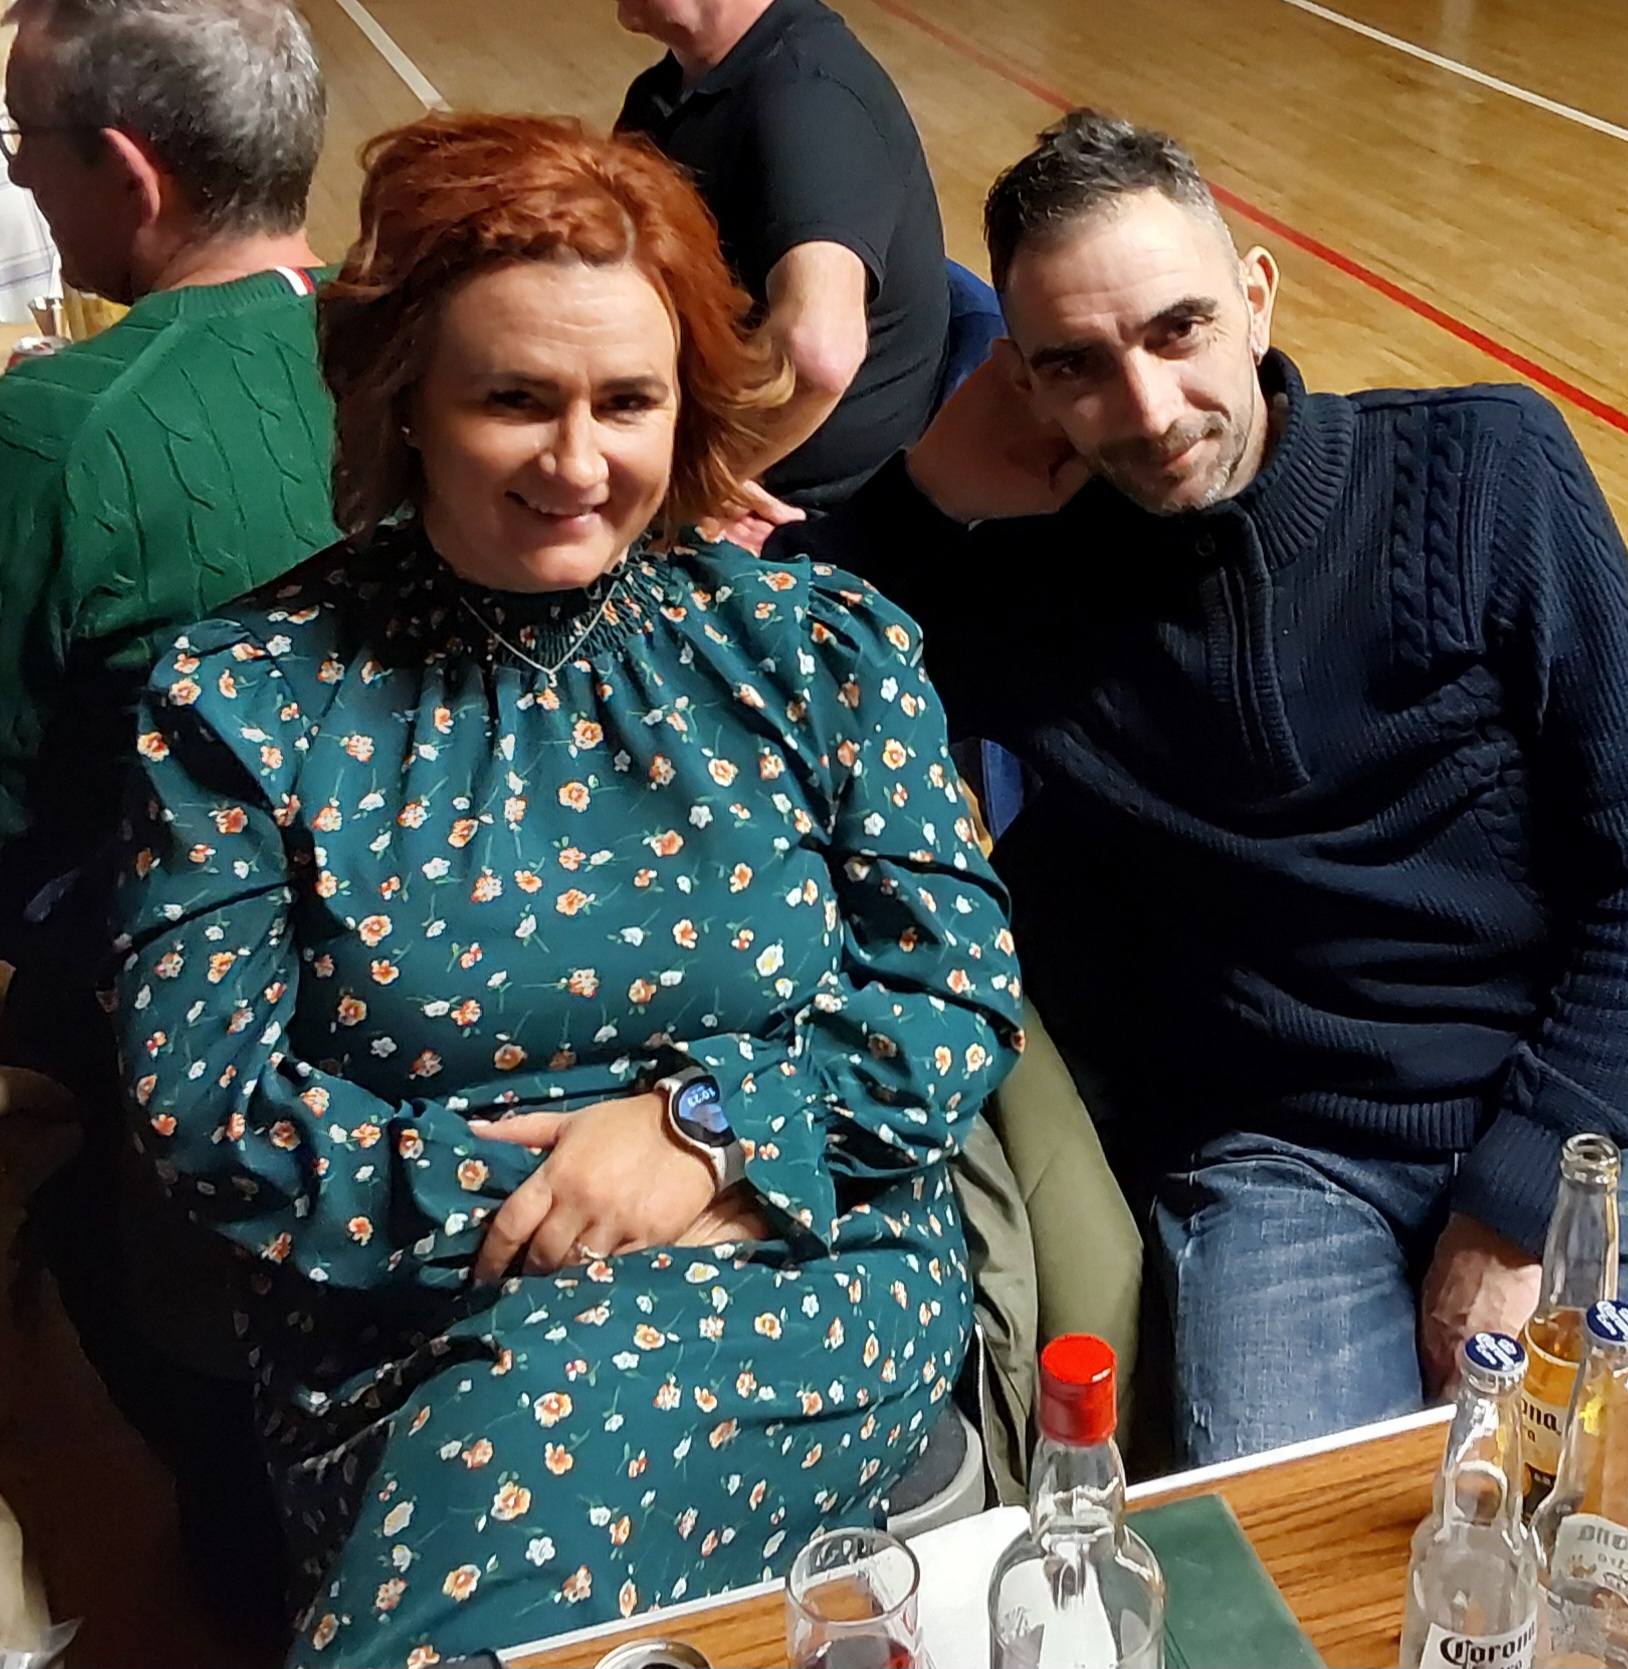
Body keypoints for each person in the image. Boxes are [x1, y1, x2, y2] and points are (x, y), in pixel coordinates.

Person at [108, 112, 1022, 1664]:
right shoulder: (245, 696)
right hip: (402, 1305)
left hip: (793, 1250)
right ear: (407, 399)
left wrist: (707, 1133)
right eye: (516, 400)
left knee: (525, 1451)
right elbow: (206, 1105)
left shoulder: (814, 649)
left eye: (628, 402)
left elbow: (954, 987)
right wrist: (548, 1210)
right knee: (508, 1434)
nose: (581, 463)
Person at [775, 110, 1628, 1466]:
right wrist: (922, 492)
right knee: (1291, 1559)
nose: (1150, 409)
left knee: (1619, 1538)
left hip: (1563, 1115)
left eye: (1178, 330)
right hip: (1279, 1159)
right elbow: (757, 682)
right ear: (1024, 386)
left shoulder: (1485, 469)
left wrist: (1510, 1208)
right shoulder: (1024, 592)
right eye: (1078, 366)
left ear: (1256, 298)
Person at [0, 0, 333, 1628]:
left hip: (191, 1045)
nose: (18, 179)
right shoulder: (452, 344)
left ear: (129, 173)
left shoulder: (62, 430)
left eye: (23, 146)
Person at [615, 0, 949, 511]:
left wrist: (690, 487)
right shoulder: (666, 92)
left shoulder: (811, 100)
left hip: (788, 510)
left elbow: (816, 357)